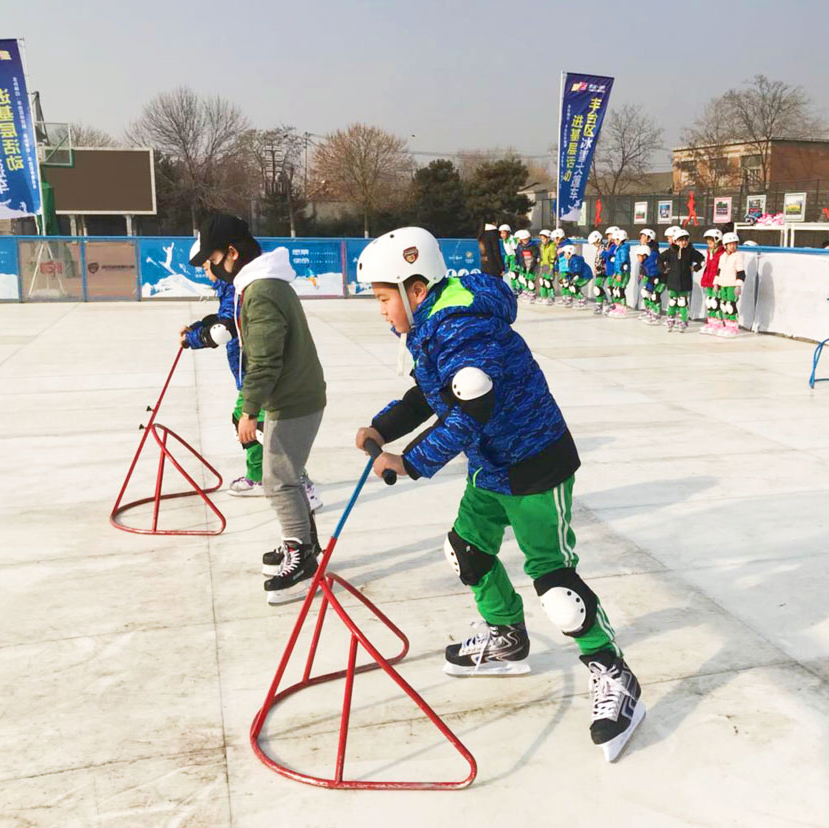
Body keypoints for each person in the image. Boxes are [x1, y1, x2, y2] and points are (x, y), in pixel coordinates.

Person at [355, 227, 645, 762]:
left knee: (556, 586)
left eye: (383, 297)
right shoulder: (437, 321)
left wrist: (409, 461)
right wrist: (383, 426)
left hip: (535, 464)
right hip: (492, 464)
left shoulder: (462, 326)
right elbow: (432, 390)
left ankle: (614, 673)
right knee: (467, 550)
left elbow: (471, 411)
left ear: (415, 288)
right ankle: (507, 637)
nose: (380, 310)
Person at [189, 213, 327, 605]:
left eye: (212, 260)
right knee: (287, 477)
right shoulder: (263, 284)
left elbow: (265, 361)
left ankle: (299, 558)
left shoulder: (262, 291)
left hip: (291, 401)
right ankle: (304, 545)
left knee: (279, 480)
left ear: (232, 253)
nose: (211, 269)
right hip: (297, 395)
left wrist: (249, 411)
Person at [180, 241, 323, 511]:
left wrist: (193, 339)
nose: (207, 274)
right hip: (248, 369)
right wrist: (200, 326)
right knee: (255, 426)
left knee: (256, 426)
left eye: (207, 265)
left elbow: (226, 329)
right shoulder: (230, 287)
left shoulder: (242, 287)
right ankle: (263, 476)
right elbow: (227, 317)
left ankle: (299, 484)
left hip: (256, 371)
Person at [659, 229, 703, 333]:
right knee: (673, 301)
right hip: (672, 281)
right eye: (680, 240)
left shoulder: (690, 252)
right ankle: (670, 318)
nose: (683, 242)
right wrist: (663, 269)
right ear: (676, 241)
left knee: (682, 302)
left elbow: (702, 259)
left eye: (685, 240)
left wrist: (696, 267)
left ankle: (683, 320)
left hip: (685, 282)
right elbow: (660, 258)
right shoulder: (671, 251)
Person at [713, 232, 746, 338]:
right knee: (723, 305)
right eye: (730, 244)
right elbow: (719, 271)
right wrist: (716, 283)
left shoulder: (738, 256)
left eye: (734, 244)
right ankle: (726, 324)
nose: (732, 246)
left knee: (730, 306)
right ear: (725, 245)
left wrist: (738, 285)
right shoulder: (722, 256)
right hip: (723, 284)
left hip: (732, 284)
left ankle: (733, 326)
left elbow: (741, 273)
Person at [699, 229, 724, 335]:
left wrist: (718, 281)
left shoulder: (722, 253)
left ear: (717, 240)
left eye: (711, 242)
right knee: (709, 302)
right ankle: (712, 321)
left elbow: (720, 268)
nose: (709, 244)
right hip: (708, 279)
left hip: (717, 281)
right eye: (708, 242)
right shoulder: (709, 252)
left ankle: (719, 322)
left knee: (716, 302)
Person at [632, 243, 663, 325]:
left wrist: (653, 280)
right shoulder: (645, 262)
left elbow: (654, 272)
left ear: (645, 255)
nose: (638, 258)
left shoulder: (650, 262)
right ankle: (649, 310)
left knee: (653, 296)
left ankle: (656, 313)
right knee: (645, 293)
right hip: (650, 279)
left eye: (639, 256)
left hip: (655, 280)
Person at [556, 243, 591, 309]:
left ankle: (582, 300)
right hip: (581, 276)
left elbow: (576, 269)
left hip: (584, 276)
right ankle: (575, 299)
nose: (564, 255)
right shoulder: (570, 260)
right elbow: (572, 271)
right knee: (571, 286)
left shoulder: (575, 260)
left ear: (569, 253)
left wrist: (574, 275)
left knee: (574, 287)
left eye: (565, 253)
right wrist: (568, 276)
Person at [607, 229, 632, 319]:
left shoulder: (624, 250)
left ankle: (623, 309)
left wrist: (620, 273)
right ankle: (617, 308)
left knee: (620, 290)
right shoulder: (619, 249)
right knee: (615, 290)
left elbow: (623, 263)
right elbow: (617, 263)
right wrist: (615, 272)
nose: (615, 242)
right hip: (618, 272)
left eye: (616, 240)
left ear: (620, 240)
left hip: (624, 273)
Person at [514, 229, 538, 302]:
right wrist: (517, 263)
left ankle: (532, 294)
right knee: (524, 279)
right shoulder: (520, 246)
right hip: (524, 264)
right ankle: (526, 292)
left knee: (530, 280)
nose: (525, 241)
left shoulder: (533, 246)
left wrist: (533, 265)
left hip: (531, 265)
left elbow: (535, 256)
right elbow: (518, 255)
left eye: (526, 239)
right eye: (523, 240)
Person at [498, 223, 518, 293]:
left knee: (514, 274)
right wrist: (507, 260)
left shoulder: (511, 239)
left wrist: (515, 260)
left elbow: (516, 250)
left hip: (514, 258)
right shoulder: (504, 240)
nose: (502, 235)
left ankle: (517, 289)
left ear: (508, 232)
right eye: (501, 233)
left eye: (504, 233)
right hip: (509, 258)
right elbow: (507, 252)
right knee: (511, 273)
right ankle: (514, 288)